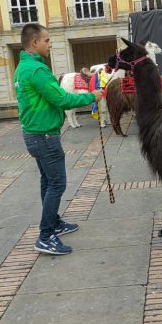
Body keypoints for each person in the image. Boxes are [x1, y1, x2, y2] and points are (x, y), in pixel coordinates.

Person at [14, 23, 101, 255]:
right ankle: (45, 236)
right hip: (44, 136)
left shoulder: (23, 67)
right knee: (57, 184)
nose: (50, 44)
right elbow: (61, 99)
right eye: (47, 40)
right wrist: (92, 96)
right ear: (35, 43)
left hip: (34, 134)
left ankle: (53, 224)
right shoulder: (37, 71)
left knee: (47, 181)